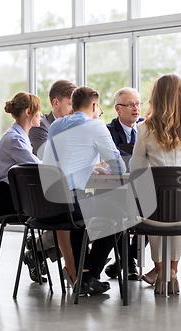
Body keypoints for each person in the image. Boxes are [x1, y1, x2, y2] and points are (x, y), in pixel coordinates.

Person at [130, 74, 181, 294]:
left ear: (155, 97)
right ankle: (172, 271)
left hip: (153, 214)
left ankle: (161, 269)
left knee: (155, 207)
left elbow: (135, 171)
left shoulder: (144, 129)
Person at [43, 86, 127, 296]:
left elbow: (64, 159)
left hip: (45, 204)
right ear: (94, 105)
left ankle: (84, 273)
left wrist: (89, 167)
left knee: (81, 217)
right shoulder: (96, 126)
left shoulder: (56, 126)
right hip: (70, 203)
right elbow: (119, 166)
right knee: (121, 216)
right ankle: (90, 274)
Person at [0, 91, 44, 283]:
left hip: (5, 196)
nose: (41, 115)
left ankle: (40, 252)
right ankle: (40, 252)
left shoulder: (18, 136)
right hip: (4, 200)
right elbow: (37, 168)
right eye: (39, 111)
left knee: (60, 207)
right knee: (62, 208)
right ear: (28, 111)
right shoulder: (15, 139)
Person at [28, 79, 78, 286]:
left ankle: (38, 248)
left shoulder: (72, 125)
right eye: (70, 104)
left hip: (67, 187)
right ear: (56, 103)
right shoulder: (40, 128)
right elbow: (52, 158)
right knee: (82, 215)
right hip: (45, 193)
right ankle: (79, 267)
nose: (74, 109)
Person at [104, 87, 146, 281]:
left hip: (141, 189)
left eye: (138, 103)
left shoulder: (147, 129)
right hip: (114, 189)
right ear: (118, 109)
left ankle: (127, 259)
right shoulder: (107, 131)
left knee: (151, 209)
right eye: (130, 104)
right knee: (120, 207)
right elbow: (111, 161)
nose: (136, 108)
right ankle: (128, 261)